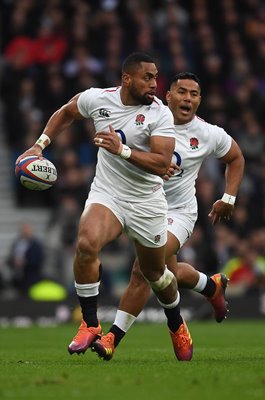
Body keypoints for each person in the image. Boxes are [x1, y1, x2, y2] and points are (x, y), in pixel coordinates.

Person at [15, 53, 193, 361]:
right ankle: (90, 323)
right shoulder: (98, 99)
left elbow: (161, 162)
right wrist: (39, 145)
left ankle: (176, 323)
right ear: (127, 79)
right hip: (108, 194)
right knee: (86, 244)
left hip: (146, 201)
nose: (154, 84)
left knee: (156, 275)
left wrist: (121, 149)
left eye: (155, 77)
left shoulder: (160, 115)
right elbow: (66, 112)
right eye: (147, 77)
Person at [91, 72, 245, 361]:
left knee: (145, 269)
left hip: (178, 213)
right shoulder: (145, 119)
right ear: (168, 96)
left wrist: (228, 197)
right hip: (143, 206)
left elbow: (236, 158)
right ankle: (211, 286)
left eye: (194, 94)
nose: (188, 98)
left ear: (199, 100)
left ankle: (113, 337)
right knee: (167, 274)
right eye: (182, 92)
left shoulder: (208, 133)